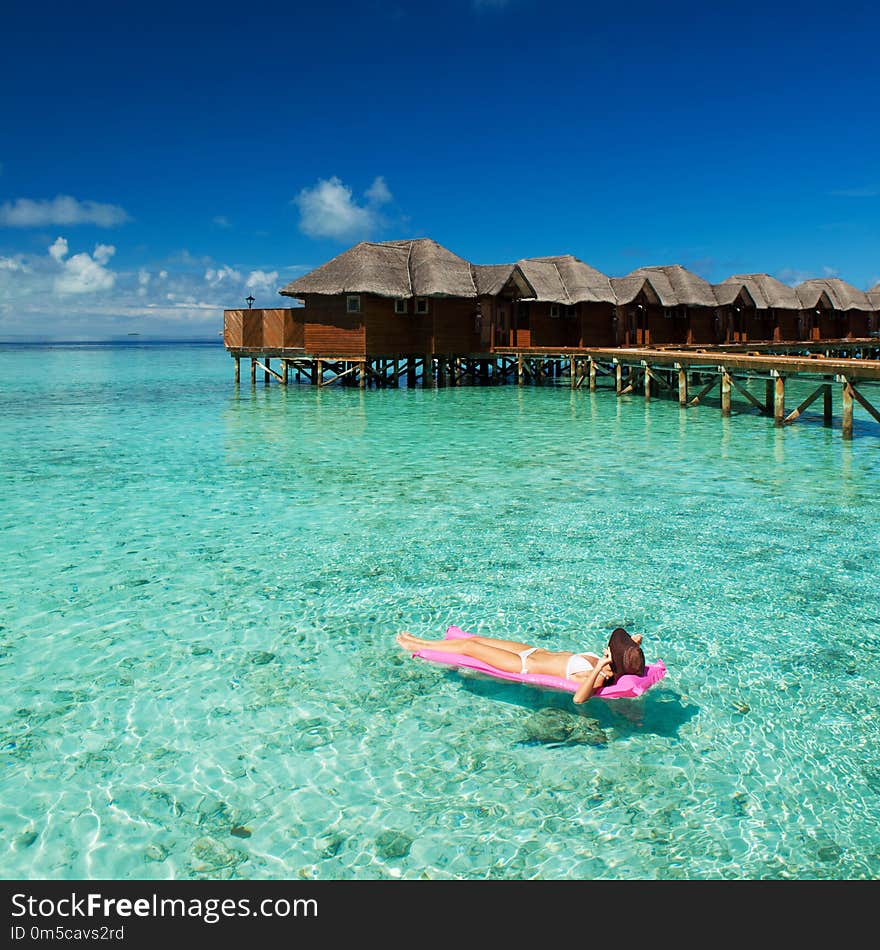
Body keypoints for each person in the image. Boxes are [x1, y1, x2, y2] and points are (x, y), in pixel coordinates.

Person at [396, 626, 646, 704]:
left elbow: (579, 699)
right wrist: (634, 646)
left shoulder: (599, 676)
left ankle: (418, 645)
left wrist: (598, 667)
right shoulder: (607, 663)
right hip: (531, 651)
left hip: (520, 665)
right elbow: (629, 652)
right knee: (475, 639)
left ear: (612, 658)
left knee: (469, 648)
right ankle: (421, 640)